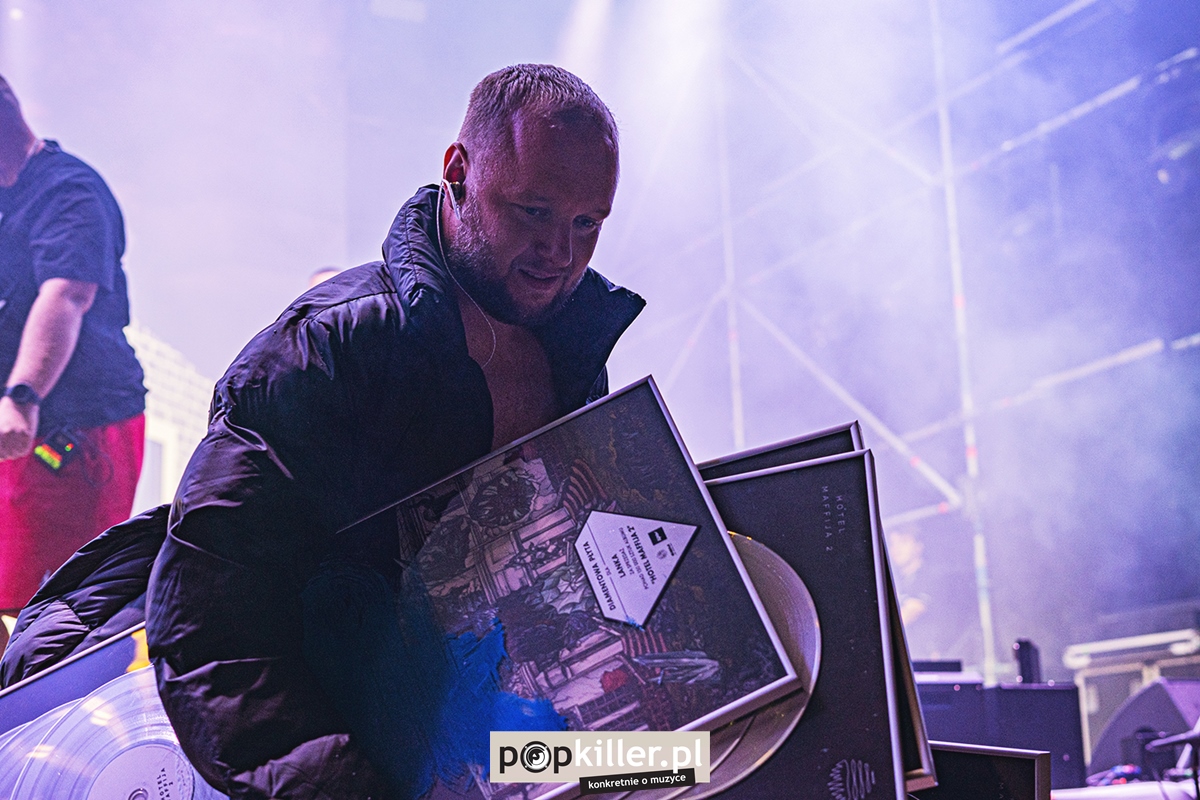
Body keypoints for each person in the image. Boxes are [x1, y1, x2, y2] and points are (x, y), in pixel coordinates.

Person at [146, 64, 643, 799]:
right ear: (458, 173)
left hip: (515, 755)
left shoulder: (576, 357)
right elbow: (212, 619)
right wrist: (334, 786)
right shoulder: (329, 348)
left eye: (586, 224)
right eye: (533, 211)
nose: (560, 254)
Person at [0, 75, 146, 623]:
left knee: (58, 611)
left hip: (74, 432)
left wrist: (22, 395)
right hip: (19, 430)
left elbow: (66, 295)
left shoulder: (69, 191)